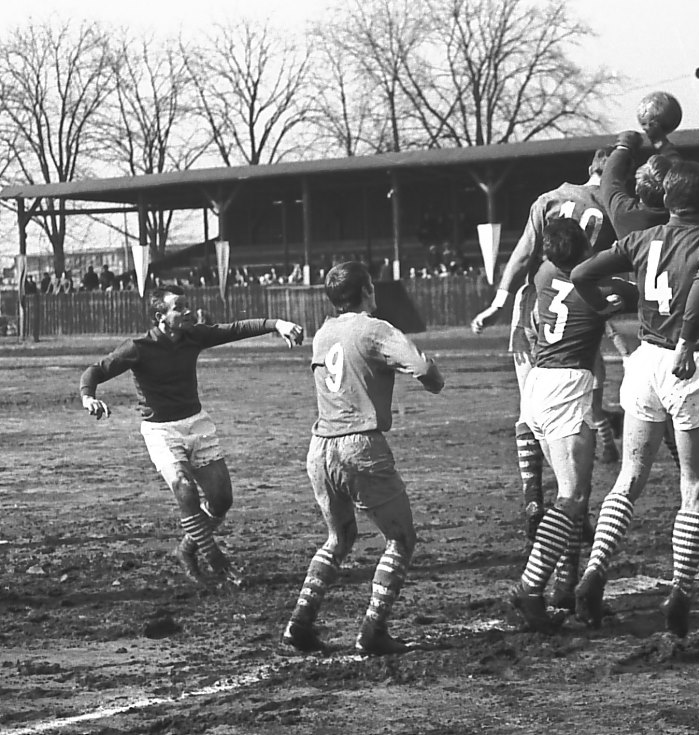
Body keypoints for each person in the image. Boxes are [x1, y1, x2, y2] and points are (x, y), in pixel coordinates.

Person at [571, 160, 699, 638]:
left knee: (628, 477)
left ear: (666, 200)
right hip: (690, 364)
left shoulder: (642, 240)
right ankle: (680, 593)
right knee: (695, 487)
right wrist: (686, 340)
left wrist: (611, 303)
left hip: (644, 362)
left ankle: (594, 573)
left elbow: (583, 272)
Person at [78, 286, 304, 585]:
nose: (187, 311)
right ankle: (218, 563)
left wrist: (277, 324)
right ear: (160, 316)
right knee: (184, 489)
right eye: (179, 307)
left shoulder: (193, 335)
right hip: (160, 430)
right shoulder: (138, 347)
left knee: (221, 500)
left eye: (187, 305)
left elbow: (235, 329)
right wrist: (88, 397)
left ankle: (186, 549)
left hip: (197, 424)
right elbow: (96, 370)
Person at [282, 261, 444, 656]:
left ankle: (299, 624)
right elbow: (420, 367)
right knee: (401, 539)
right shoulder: (374, 328)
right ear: (368, 290)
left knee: (339, 537)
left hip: (320, 448)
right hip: (359, 446)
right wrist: (434, 378)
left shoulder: (323, 333)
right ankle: (373, 629)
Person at [470, 148, 623, 552]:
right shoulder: (616, 206)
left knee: (531, 405)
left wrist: (499, 303)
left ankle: (532, 493)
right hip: (584, 305)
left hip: (534, 306)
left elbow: (522, 255)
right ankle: (575, 506)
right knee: (584, 397)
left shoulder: (551, 199)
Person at [508, 219, 638, 632]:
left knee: (574, 499)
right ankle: (530, 589)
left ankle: (563, 587)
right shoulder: (594, 291)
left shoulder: (542, 274)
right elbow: (632, 295)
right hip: (567, 386)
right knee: (572, 496)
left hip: (538, 386)